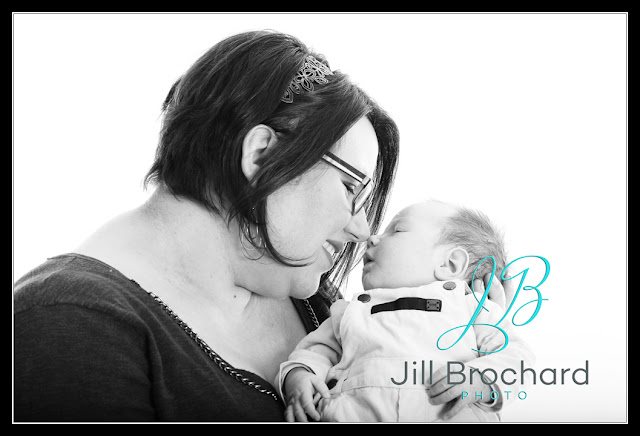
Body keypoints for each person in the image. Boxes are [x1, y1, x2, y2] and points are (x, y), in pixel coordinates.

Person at [13, 30, 508, 422]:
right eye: (350, 188)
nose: (363, 229)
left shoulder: (317, 300)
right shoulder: (67, 326)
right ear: (262, 154)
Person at [277, 200, 534, 422]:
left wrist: (481, 379)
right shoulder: (348, 313)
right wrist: (298, 376)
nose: (372, 238)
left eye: (397, 230)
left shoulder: (470, 310)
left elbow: (517, 357)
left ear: (450, 264)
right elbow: (313, 353)